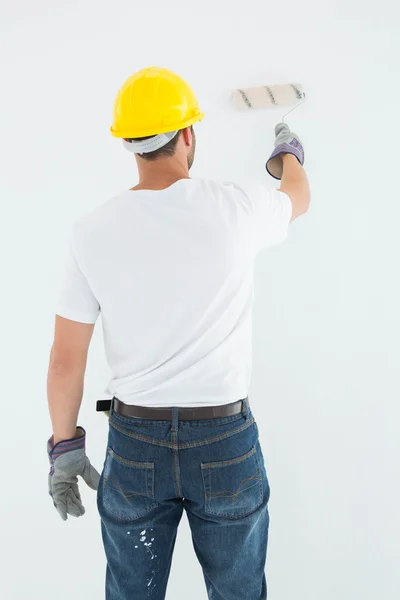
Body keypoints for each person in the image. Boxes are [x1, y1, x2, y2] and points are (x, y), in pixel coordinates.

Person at [46, 66, 310, 600]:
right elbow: (297, 198)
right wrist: (288, 153)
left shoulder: (91, 231)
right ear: (188, 134)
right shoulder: (235, 208)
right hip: (224, 442)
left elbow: (66, 359)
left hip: (134, 444)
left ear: (128, 143)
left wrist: (65, 447)